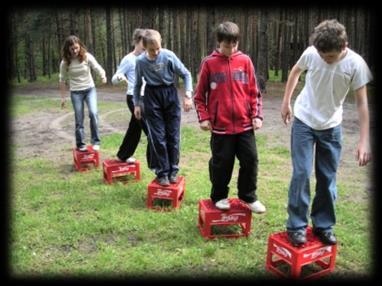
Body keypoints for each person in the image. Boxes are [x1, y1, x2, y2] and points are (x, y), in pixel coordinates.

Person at [280, 19, 372, 246]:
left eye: (329, 57)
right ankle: (297, 226)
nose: (325, 60)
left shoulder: (356, 64)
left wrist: (364, 141)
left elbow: (362, 104)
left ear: (344, 47)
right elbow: (295, 72)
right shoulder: (312, 53)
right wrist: (286, 102)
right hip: (304, 121)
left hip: (331, 127)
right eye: (322, 56)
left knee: (327, 179)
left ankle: (323, 225)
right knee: (301, 173)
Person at [194, 21, 266, 214]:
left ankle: (248, 196)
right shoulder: (209, 63)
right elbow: (199, 96)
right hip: (220, 128)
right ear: (219, 43)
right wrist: (204, 117)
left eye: (234, 45)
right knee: (221, 163)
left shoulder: (245, 61)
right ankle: (219, 196)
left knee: (251, 160)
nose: (231, 49)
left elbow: (254, 92)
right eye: (227, 45)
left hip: (245, 126)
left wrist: (256, 115)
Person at [133, 29, 193, 186]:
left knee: (173, 136)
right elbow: (137, 84)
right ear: (144, 47)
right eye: (152, 50)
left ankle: (173, 170)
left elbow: (186, 74)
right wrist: (137, 103)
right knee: (158, 137)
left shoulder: (168, 56)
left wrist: (187, 95)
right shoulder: (140, 62)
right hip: (152, 97)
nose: (156, 52)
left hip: (170, 94)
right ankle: (162, 172)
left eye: (158, 48)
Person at [111, 28, 157, 169]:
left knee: (134, 129)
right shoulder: (128, 59)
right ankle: (156, 165)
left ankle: (122, 155)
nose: (146, 47)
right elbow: (114, 78)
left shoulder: (149, 56)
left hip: (148, 96)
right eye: (144, 43)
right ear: (137, 41)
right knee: (151, 130)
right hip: (134, 98)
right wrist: (119, 77)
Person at [59, 35, 107, 152]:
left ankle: (95, 141)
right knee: (79, 118)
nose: (75, 51)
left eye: (76, 48)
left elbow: (97, 67)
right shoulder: (65, 62)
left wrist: (103, 75)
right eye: (72, 49)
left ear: (80, 46)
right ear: (67, 49)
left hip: (89, 89)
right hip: (75, 92)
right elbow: (62, 80)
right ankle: (80, 144)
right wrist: (63, 98)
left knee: (93, 113)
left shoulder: (86, 57)